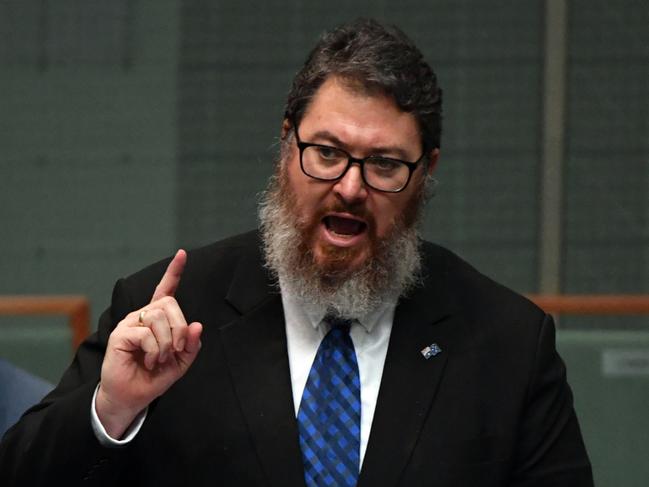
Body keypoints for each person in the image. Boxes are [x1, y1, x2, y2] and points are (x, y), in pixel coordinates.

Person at [0, 18, 593, 486]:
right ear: (288, 143)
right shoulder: (168, 306)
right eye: (327, 152)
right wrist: (113, 409)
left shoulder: (508, 343)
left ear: (426, 172)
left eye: (385, 164)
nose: (352, 187)